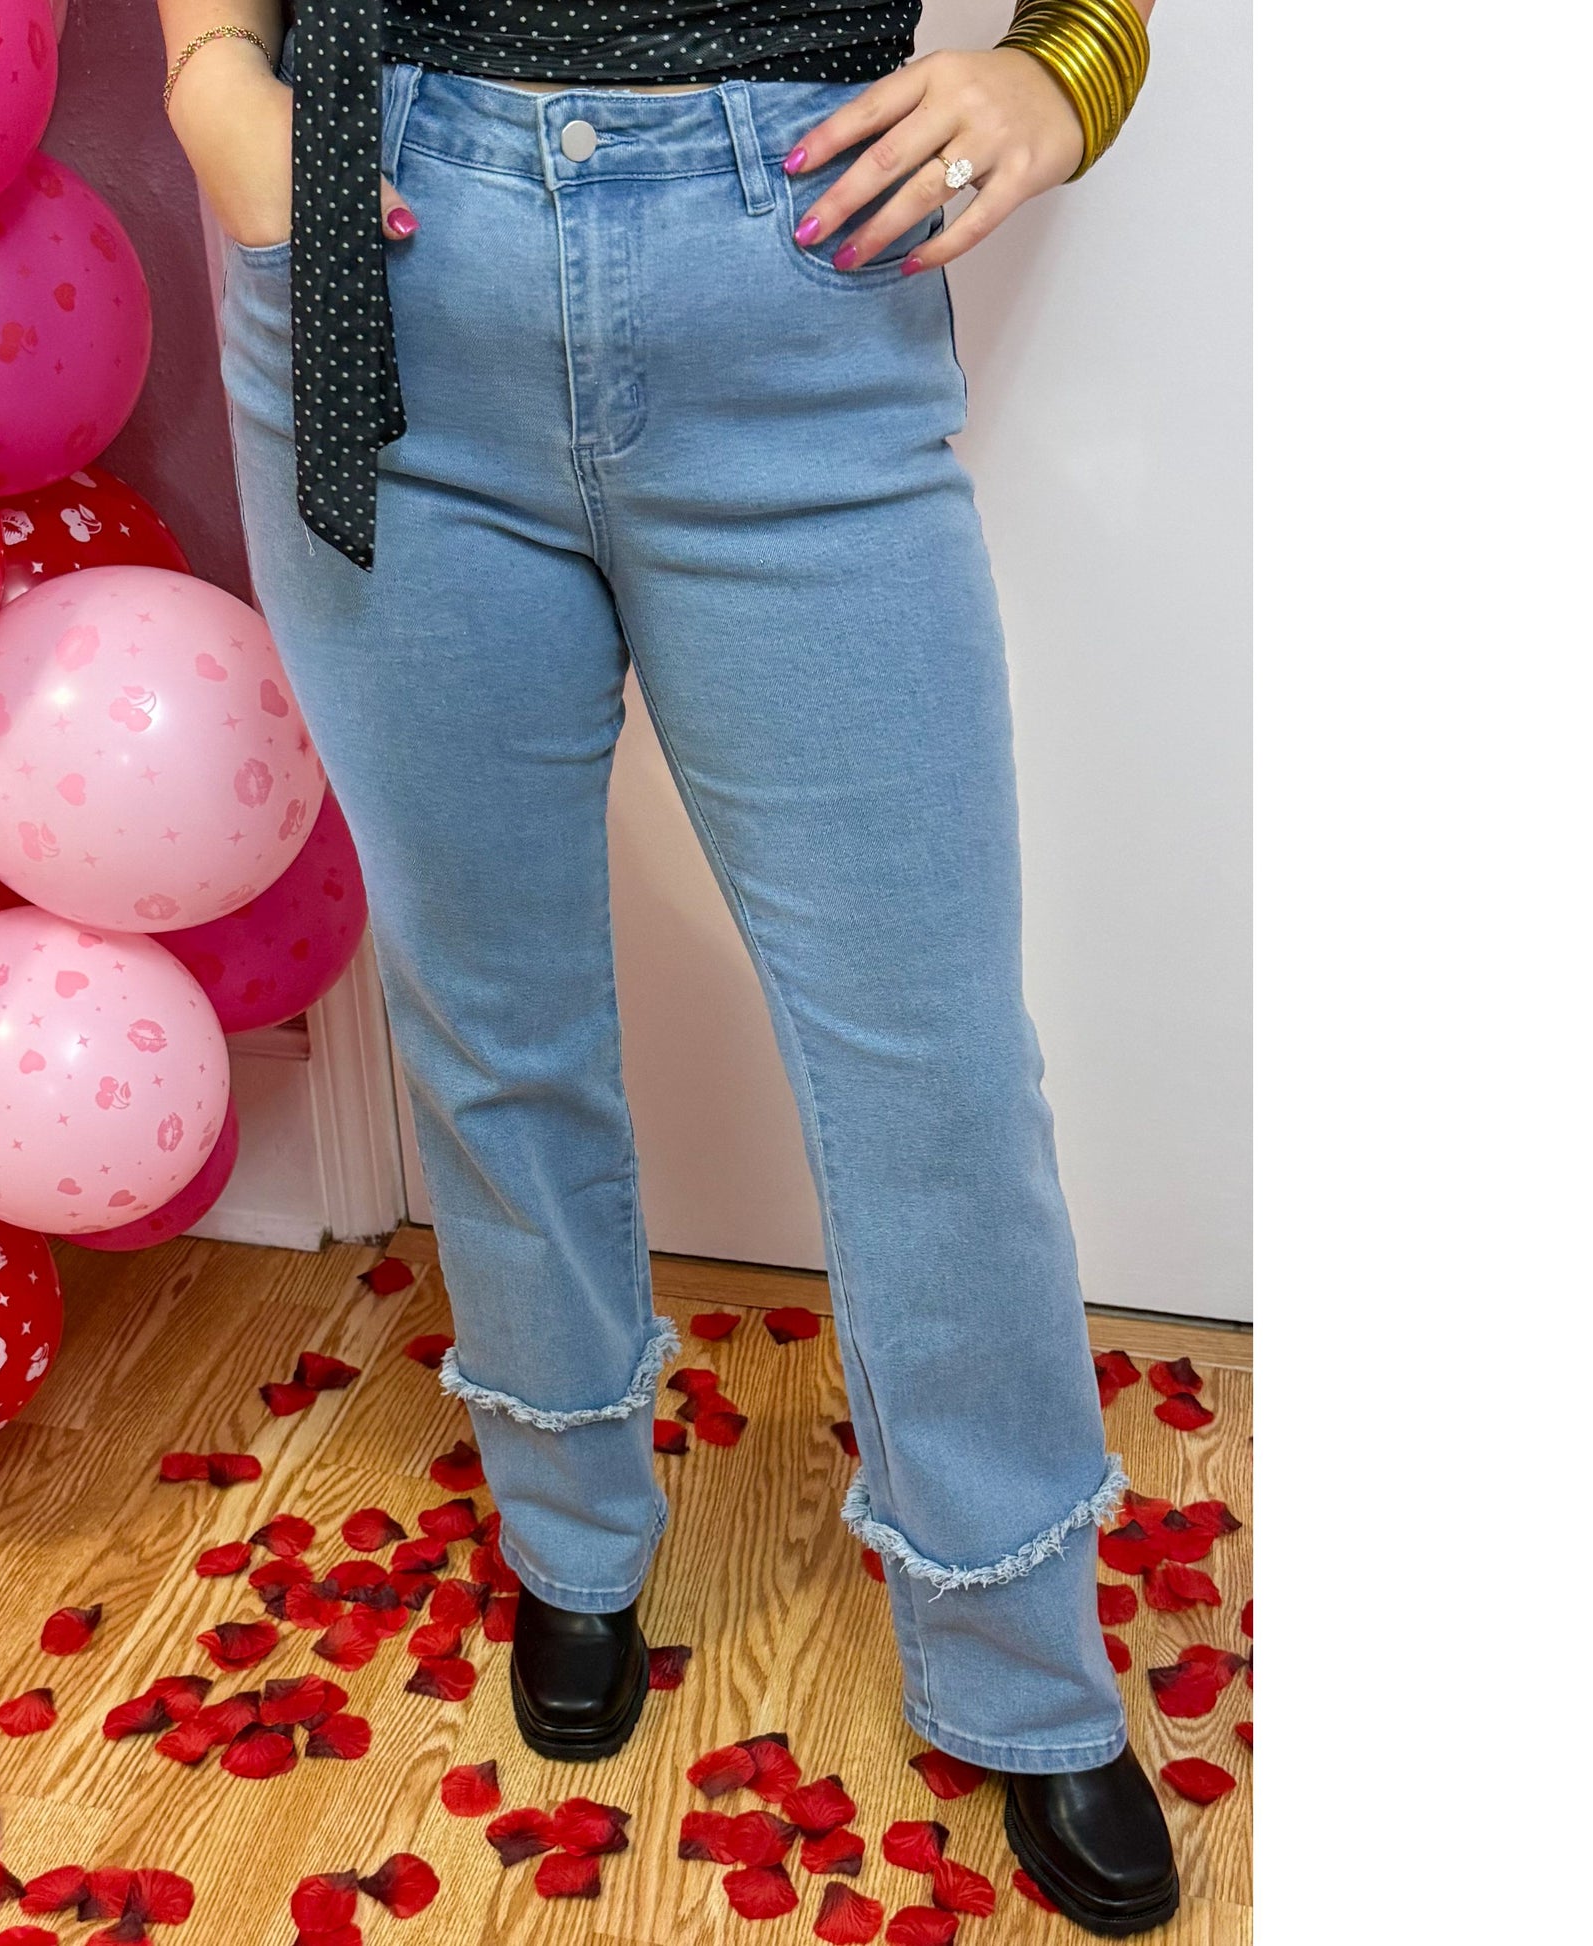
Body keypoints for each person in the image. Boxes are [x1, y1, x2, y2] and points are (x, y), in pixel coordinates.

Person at [161, 0, 1179, 1931]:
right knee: (487, 1005)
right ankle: (569, 1531)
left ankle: (1018, 1639)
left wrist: (1069, 70)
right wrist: (212, 74)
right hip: (386, 259)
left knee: (930, 1064)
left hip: (789, 271)